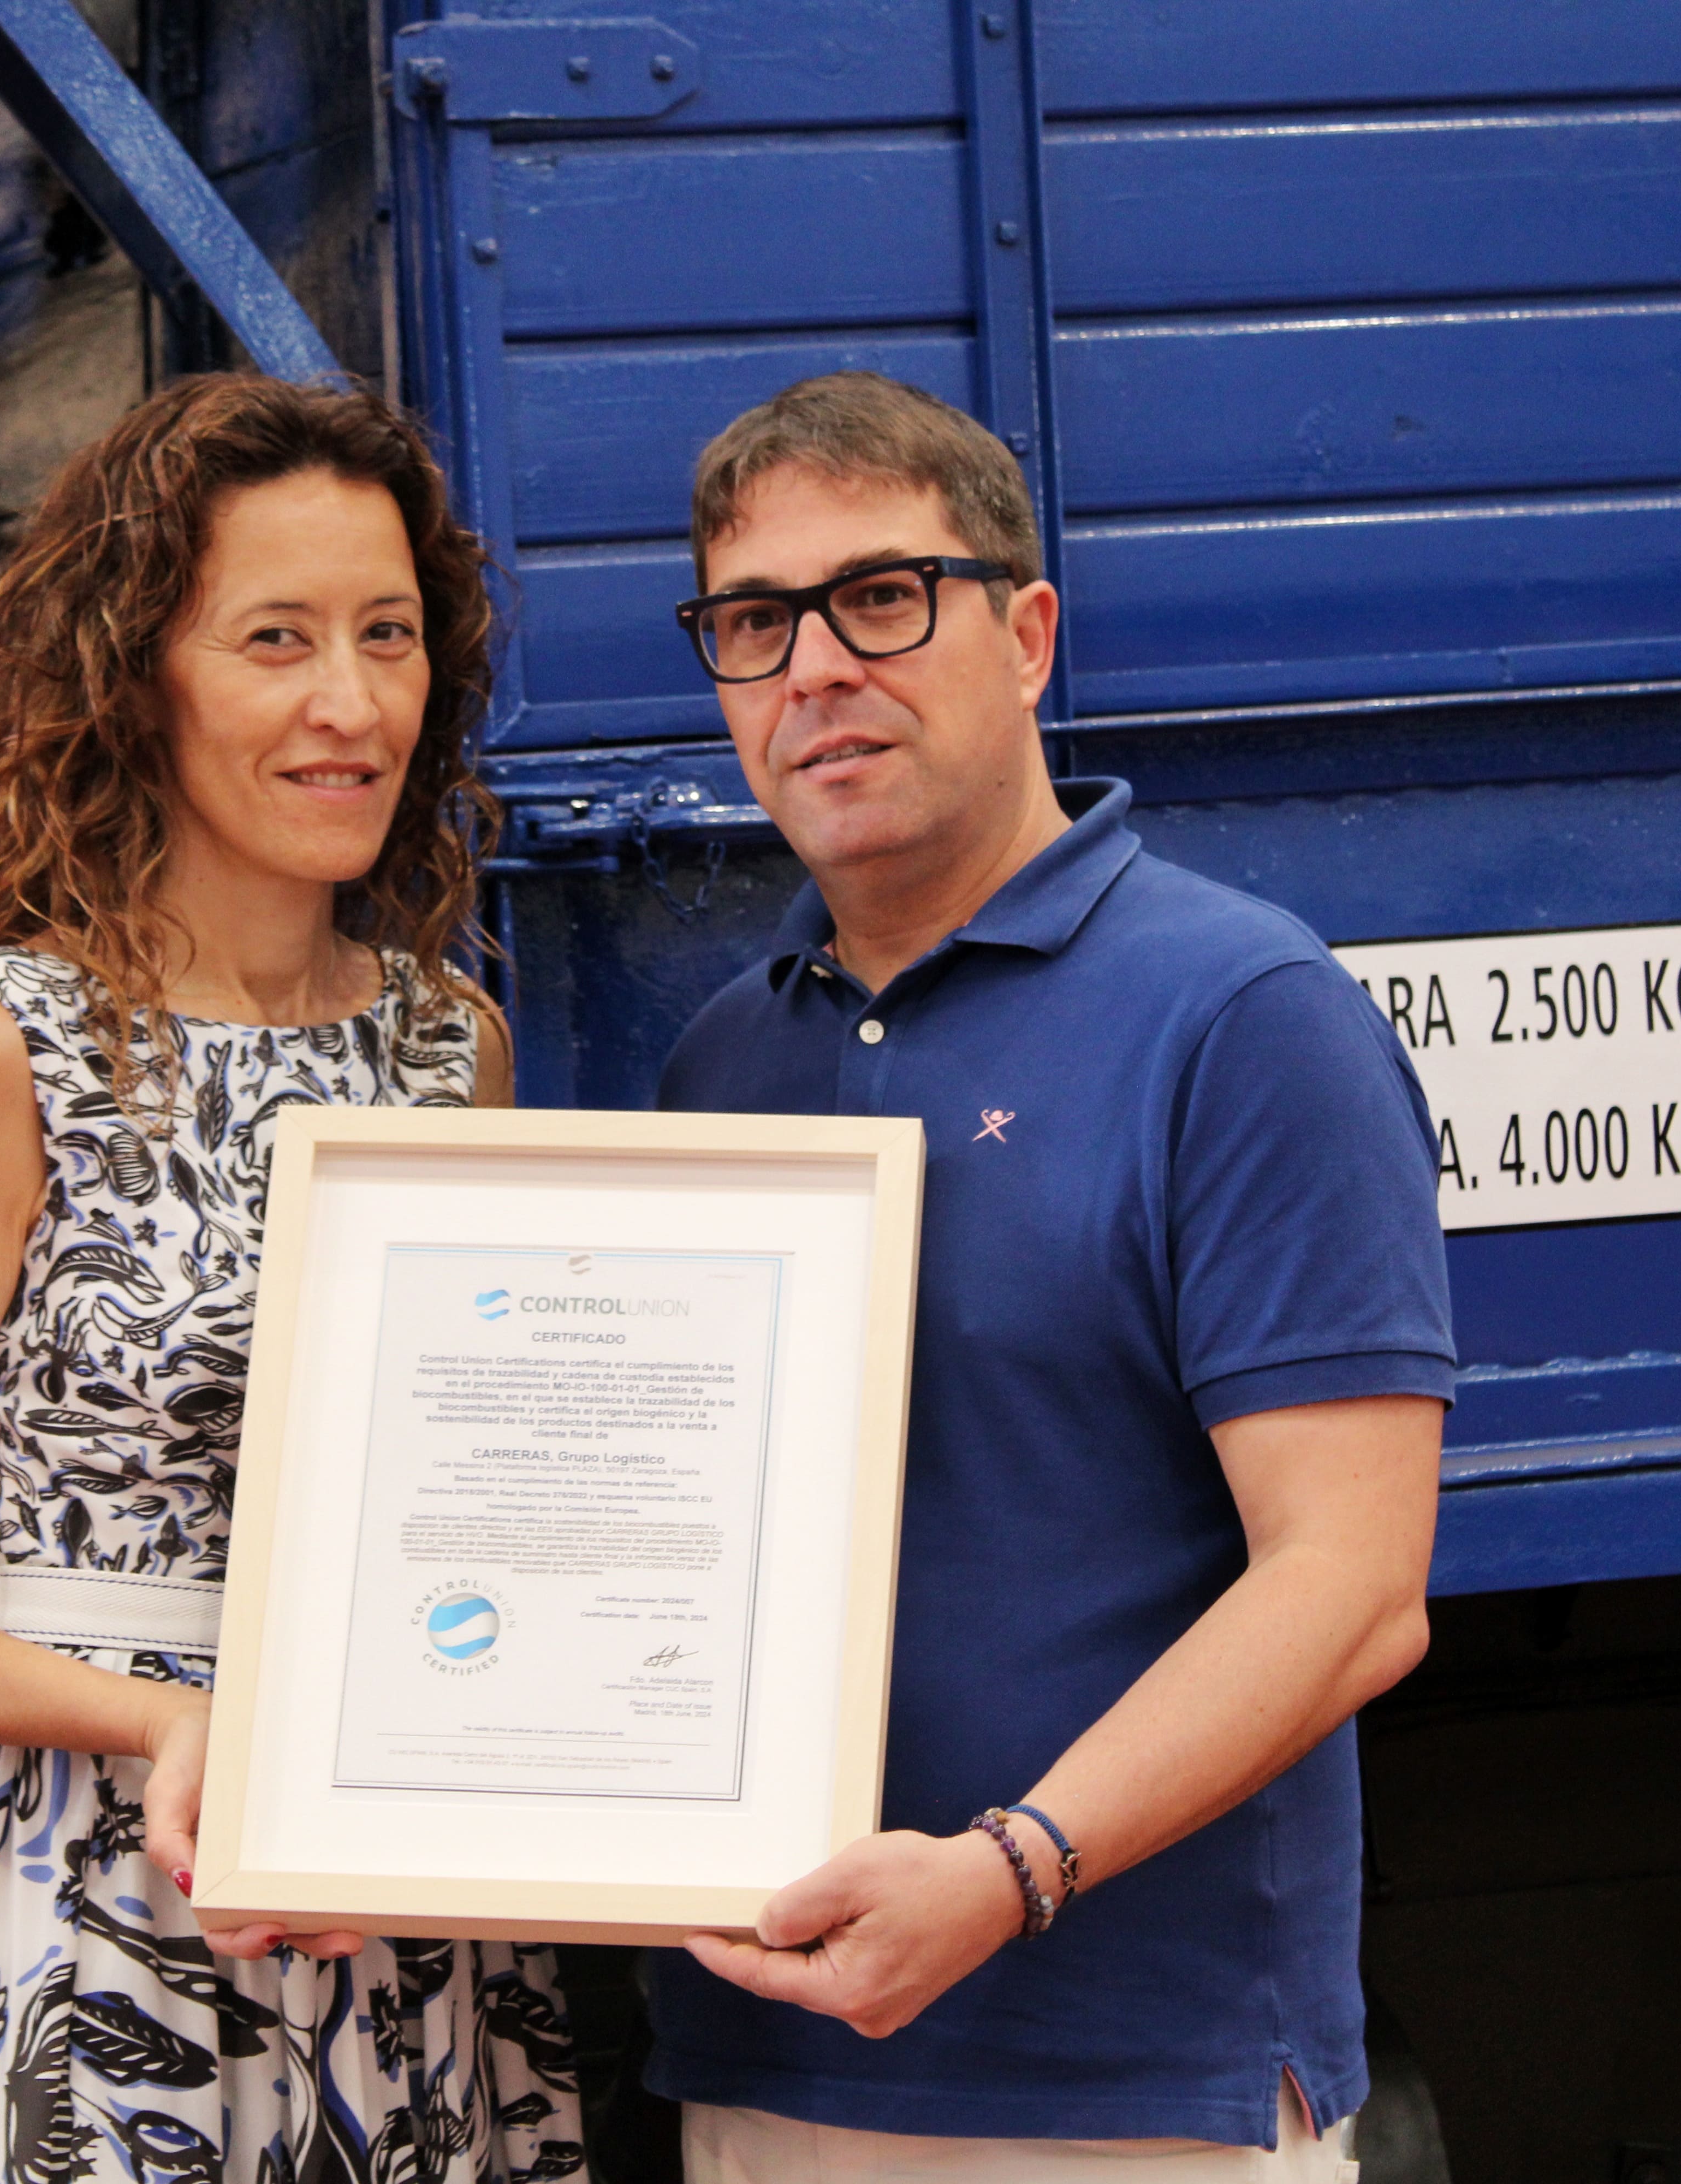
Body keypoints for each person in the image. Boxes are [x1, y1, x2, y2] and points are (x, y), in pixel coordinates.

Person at [0, 375, 585, 2184]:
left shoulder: (454, 1050)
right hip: (80, 1911)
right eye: (275, 641)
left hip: (384, 1926)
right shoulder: (3, 1044)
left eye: (388, 636)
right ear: (143, 680)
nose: (348, 705)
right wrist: (169, 1723)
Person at [648, 372, 1453, 2180]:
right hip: (768, 2068)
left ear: (1025, 636)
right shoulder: (721, 1065)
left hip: (1130, 2098)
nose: (815, 669)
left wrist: (1009, 1876)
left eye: (881, 596)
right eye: (754, 624)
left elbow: (1353, 1585)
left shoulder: (1245, 1019)